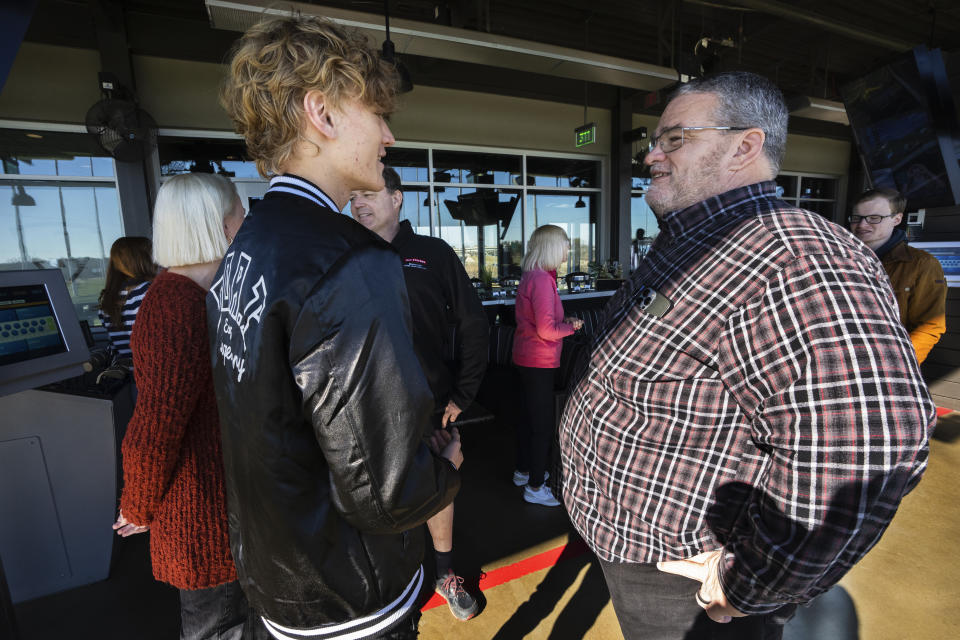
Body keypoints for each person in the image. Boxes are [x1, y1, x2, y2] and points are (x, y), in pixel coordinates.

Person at [559, 71, 935, 640]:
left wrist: (750, 584)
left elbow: (868, 449)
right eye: (653, 142)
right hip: (637, 551)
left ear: (745, 145)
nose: (652, 156)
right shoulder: (693, 241)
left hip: (690, 579)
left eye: (675, 139)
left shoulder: (795, 257)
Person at [211, 15, 462, 640]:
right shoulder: (348, 260)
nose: (389, 134)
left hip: (275, 578)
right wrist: (446, 468)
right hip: (348, 590)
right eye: (376, 112)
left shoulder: (248, 248)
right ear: (321, 113)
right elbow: (386, 493)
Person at [349, 166, 488, 621]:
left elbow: (473, 325)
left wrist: (464, 395)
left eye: (369, 194)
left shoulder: (433, 254)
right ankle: (390, 579)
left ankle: (444, 573)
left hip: (429, 402)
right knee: (374, 495)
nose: (359, 203)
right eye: (353, 197)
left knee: (439, 489)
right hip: (364, 406)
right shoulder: (347, 255)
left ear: (397, 198)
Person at [112, 172, 247, 640]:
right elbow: (153, 428)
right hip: (203, 523)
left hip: (220, 515)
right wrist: (137, 506)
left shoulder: (199, 298)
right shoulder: (177, 308)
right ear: (216, 224)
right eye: (239, 211)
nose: (245, 220)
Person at [512, 224, 583, 508]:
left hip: (524, 357)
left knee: (527, 420)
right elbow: (547, 330)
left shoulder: (532, 275)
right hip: (539, 360)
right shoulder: (542, 280)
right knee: (542, 426)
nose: (568, 250)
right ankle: (536, 487)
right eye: (565, 245)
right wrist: (572, 327)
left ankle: (523, 471)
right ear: (552, 246)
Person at [850, 188, 947, 363]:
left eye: (874, 218)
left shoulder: (922, 264)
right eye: (857, 218)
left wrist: (899, 365)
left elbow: (930, 326)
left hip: (888, 367)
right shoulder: (838, 257)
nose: (862, 225)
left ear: (897, 219)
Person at [97, 236, 157, 360]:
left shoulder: (108, 299)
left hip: (129, 373)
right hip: (149, 371)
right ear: (142, 260)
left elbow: (114, 346)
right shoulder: (147, 291)